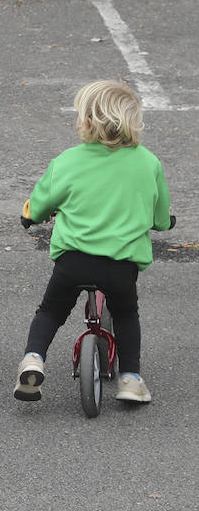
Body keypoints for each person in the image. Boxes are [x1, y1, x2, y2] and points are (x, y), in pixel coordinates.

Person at [16, 79, 173, 404]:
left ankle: (33, 360)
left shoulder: (68, 161)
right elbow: (160, 217)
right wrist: (165, 222)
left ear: (87, 121)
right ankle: (130, 378)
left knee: (49, 312)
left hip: (73, 262)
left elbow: (41, 202)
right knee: (127, 315)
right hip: (120, 265)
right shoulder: (148, 163)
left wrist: (30, 215)